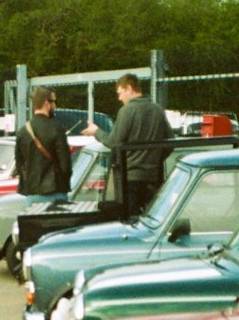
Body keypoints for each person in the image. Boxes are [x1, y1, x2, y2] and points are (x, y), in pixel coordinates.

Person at [85, 73, 170, 216]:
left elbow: (114, 142)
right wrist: (154, 160)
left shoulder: (127, 111)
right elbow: (169, 142)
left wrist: (96, 132)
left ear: (129, 89)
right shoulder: (158, 110)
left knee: (130, 223)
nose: (119, 98)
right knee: (151, 221)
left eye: (120, 93)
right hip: (153, 178)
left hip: (130, 179)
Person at [15, 86, 71, 197]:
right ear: (46, 103)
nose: (55, 106)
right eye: (54, 102)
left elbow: (19, 165)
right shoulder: (57, 130)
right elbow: (65, 166)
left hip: (31, 193)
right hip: (55, 192)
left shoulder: (22, 132)